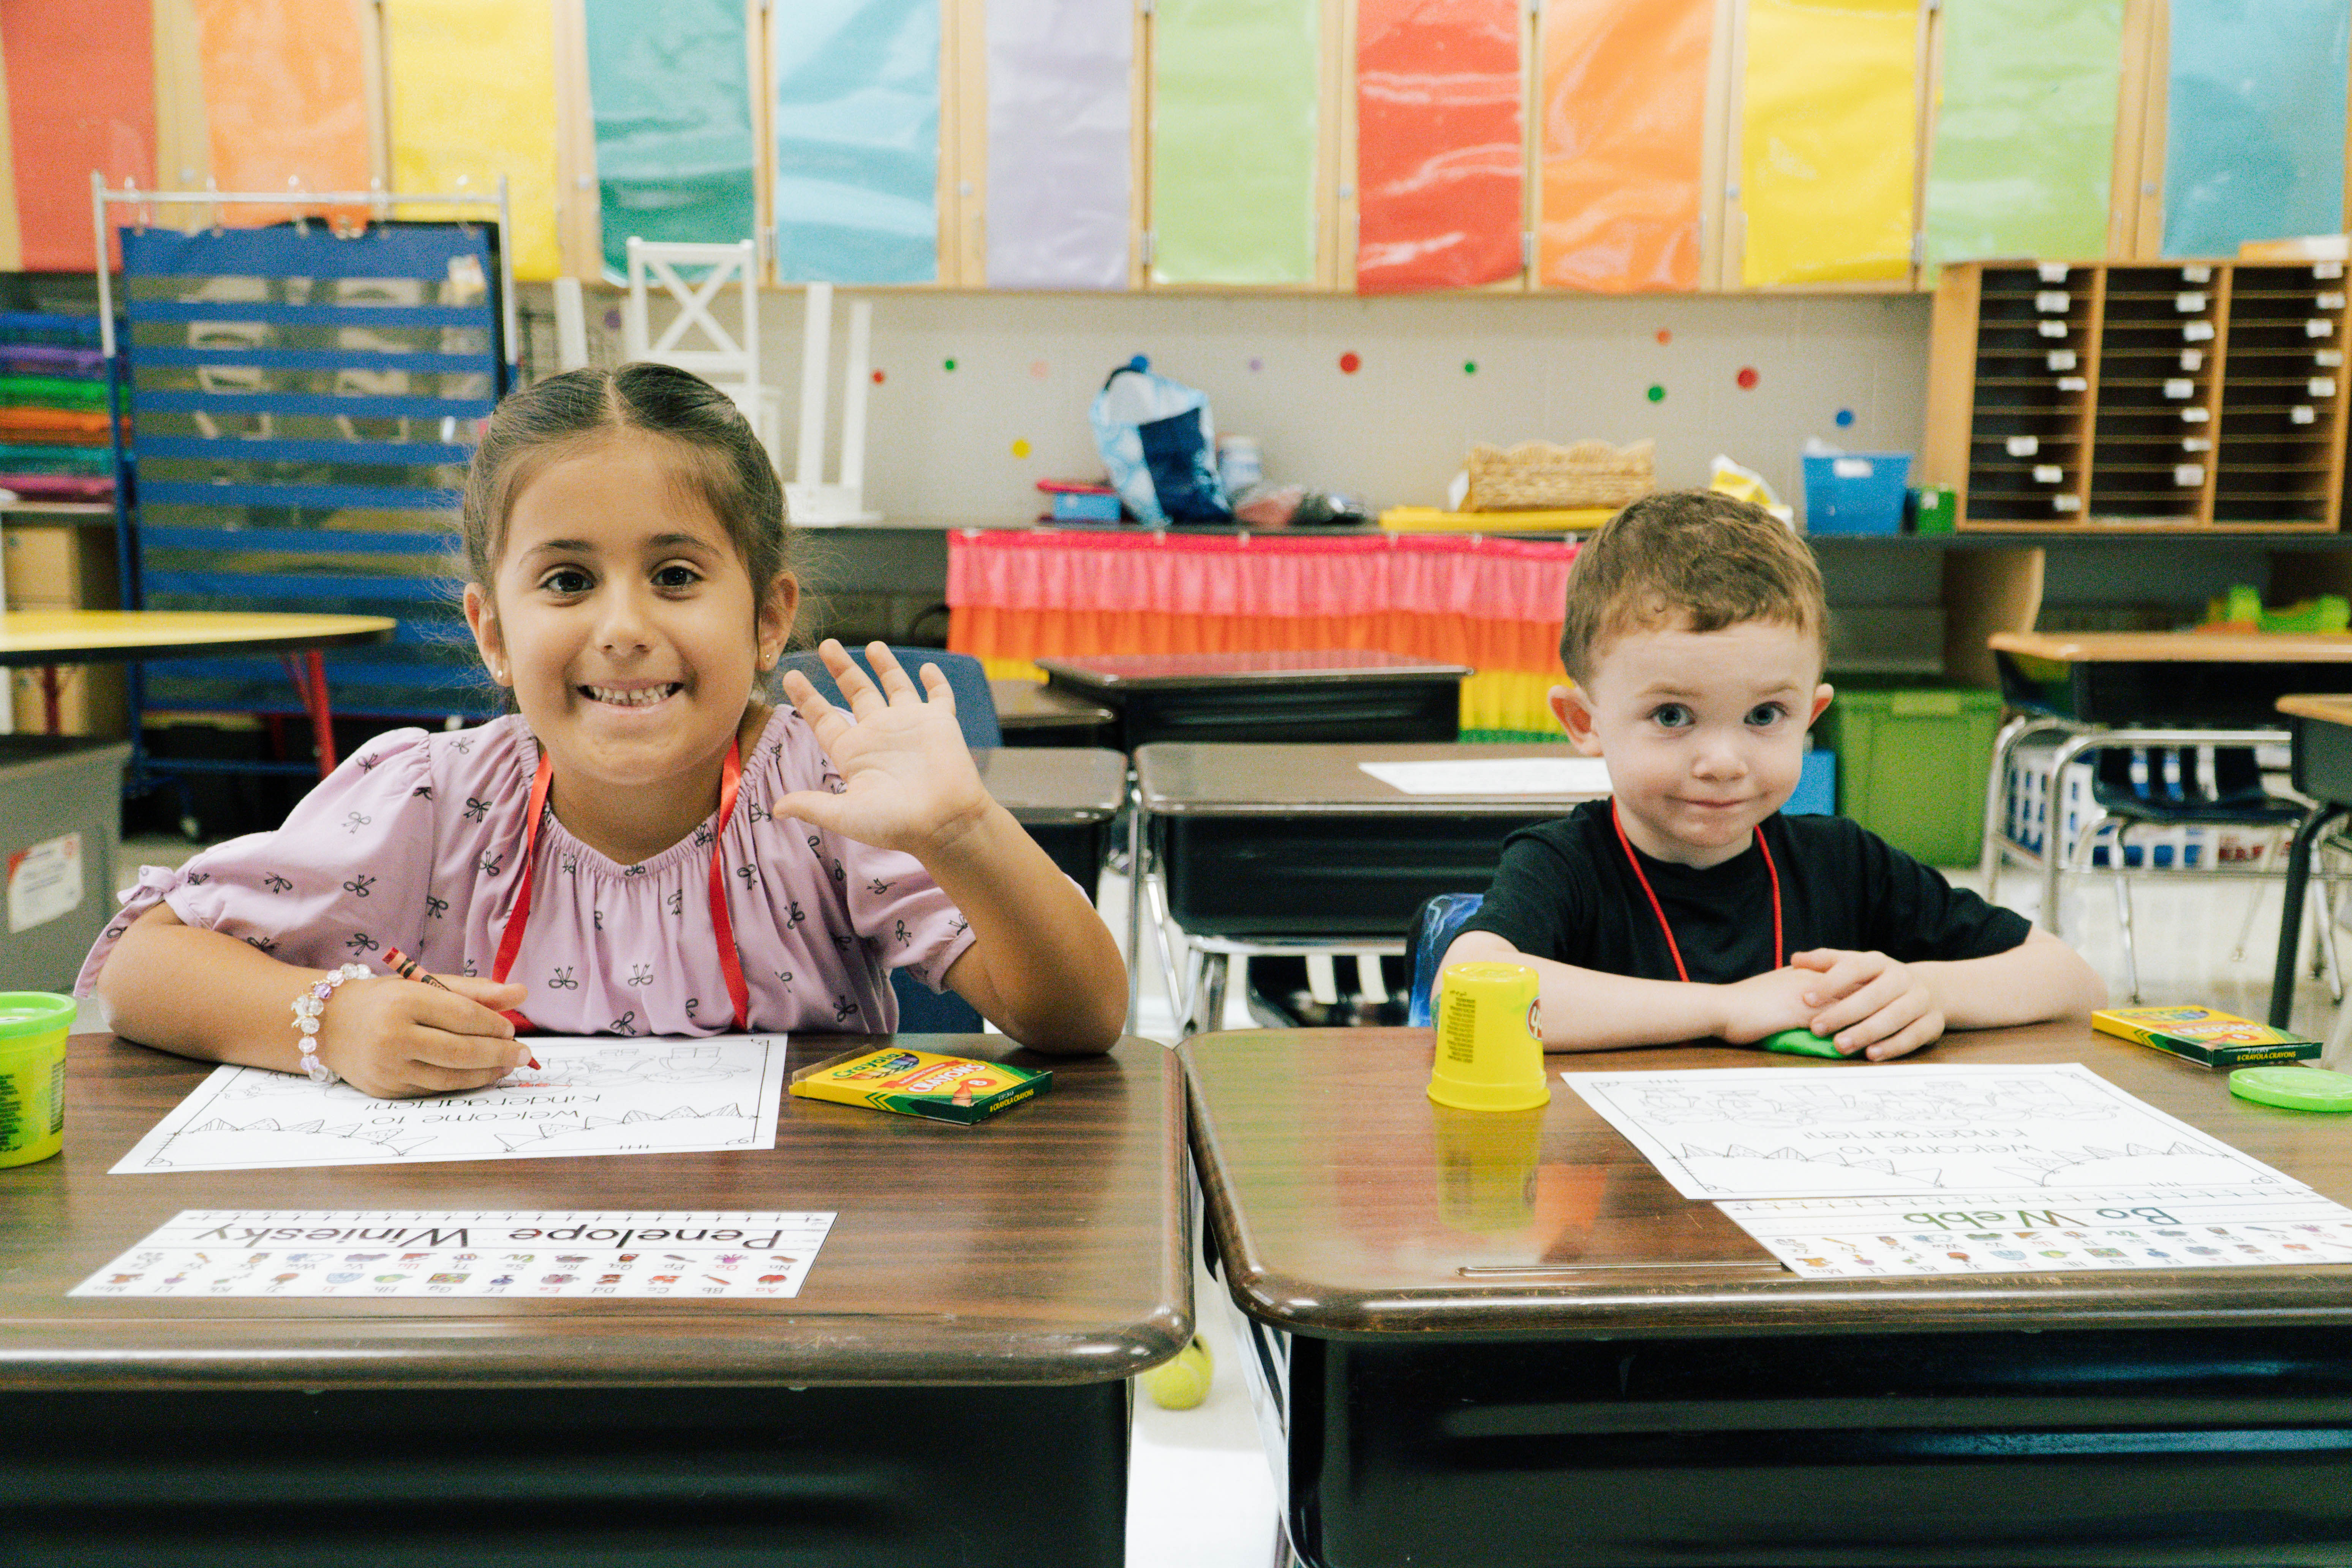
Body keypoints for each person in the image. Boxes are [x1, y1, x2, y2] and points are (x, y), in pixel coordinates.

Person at [81, 363, 1126, 1097]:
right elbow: (142, 967)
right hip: (510, 1299)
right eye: (568, 580)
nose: (624, 630)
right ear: (492, 630)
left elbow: (1082, 1021)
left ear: (768, 620)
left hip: (779, 1287)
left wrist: (965, 830)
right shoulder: (429, 797)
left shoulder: (829, 799)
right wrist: (334, 1022)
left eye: (676, 577)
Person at [1442, 488, 2105, 1060]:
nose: (1724, 763)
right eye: (1672, 716)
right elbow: (1463, 990)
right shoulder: (1564, 865)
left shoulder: (1846, 865)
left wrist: (1929, 990)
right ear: (1583, 722)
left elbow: (2075, 983)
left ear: (1811, 715)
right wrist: (1726, 1009)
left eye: (1765, 715)